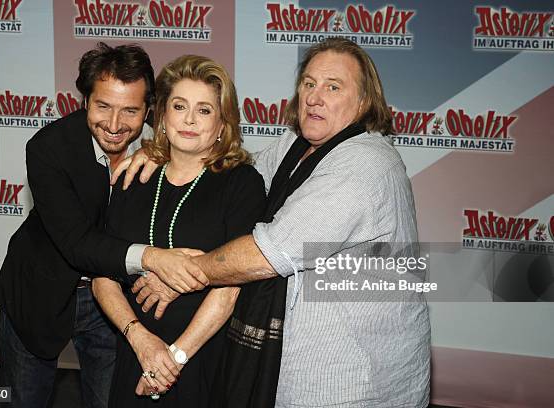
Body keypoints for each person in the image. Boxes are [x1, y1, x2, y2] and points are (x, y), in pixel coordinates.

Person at [115, 38, 431, 407]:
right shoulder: (294, 145)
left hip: (355, 379)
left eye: (333, 86)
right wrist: (160, 152)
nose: (315, 96)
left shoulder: (366, 164)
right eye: (309, 83)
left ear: (363, 103)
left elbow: (266, 253)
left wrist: (177, 273)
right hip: (301, 369)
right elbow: (228, 176)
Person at [0, 43, 173, 408]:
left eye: (131, 110)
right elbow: (77, 243)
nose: (115, 125)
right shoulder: (48, 148)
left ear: (149, 108)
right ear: (85, 100)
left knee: (109, 401)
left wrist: (161, 150)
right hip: (39, 291)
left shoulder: (165, 144)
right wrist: (153, 259)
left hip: (114, 298)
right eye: (103, 106)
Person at [92, 54, 265, 406]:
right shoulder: (133, 177)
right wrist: (140, 340)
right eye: (179, 106)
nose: (189, 119)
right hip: (135, 353)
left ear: (221, 125)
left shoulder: (241, 182)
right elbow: (102, 275)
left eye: (204, 110)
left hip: (201, 358)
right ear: (163, 116)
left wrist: (173, 359)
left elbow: (230, 287)